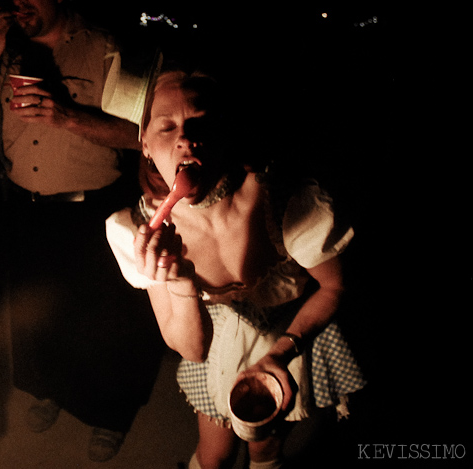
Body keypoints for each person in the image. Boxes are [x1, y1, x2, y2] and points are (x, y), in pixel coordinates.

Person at [105, 70, 367, 468]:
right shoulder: (139, 230)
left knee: (266, 450)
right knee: (214, 457)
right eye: (166, 127)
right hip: (216, 349)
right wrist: (178, 281)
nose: (184, 138)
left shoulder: (286, 203)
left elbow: (333, 288)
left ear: (224, 131)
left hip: (290, 334)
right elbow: (193, 350)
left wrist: (280, 353)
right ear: (144, 145)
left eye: (199, 122)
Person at [0, 0, 163, 462]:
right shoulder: (5, 50)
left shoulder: (107, 46)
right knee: (37, 316)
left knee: (104, 323)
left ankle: (109, 413)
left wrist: (65, 115)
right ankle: (49, 389)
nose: (17, 6)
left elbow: (142, 134)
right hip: (27, 210)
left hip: (93, 209)